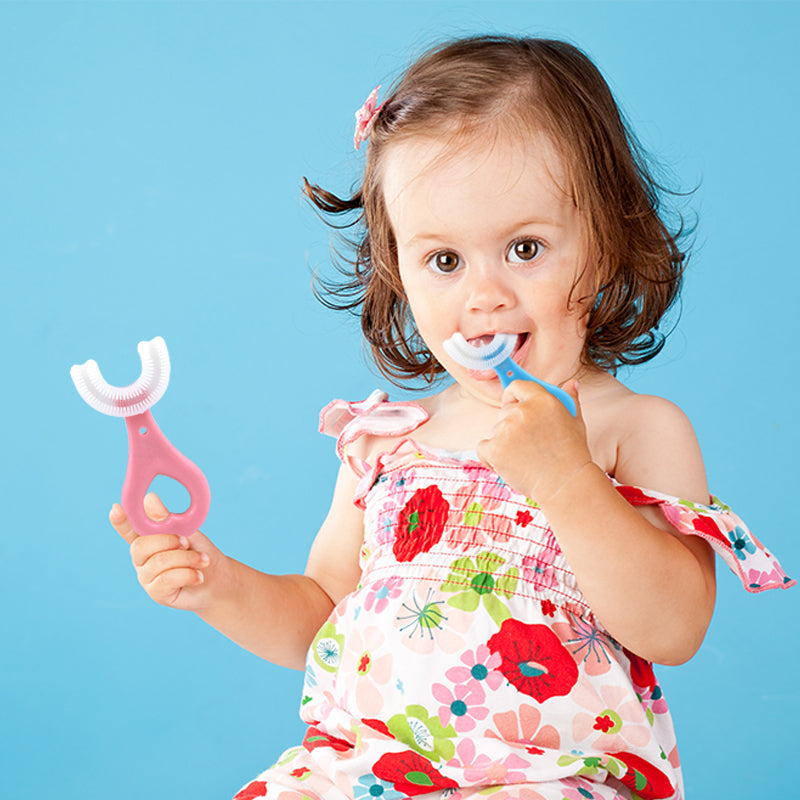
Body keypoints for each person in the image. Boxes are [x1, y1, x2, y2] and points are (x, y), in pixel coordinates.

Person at [109, 35, 793, 800]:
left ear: (602, 246)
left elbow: (674, 629)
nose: (484, 295)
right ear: (398, 270)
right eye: (445, 261)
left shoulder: (635, 429)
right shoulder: (384, 442)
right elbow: (319, 618)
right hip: (370, 772)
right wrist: (217, 585)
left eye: (525, 248)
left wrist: (567, 480)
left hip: (550, 778)